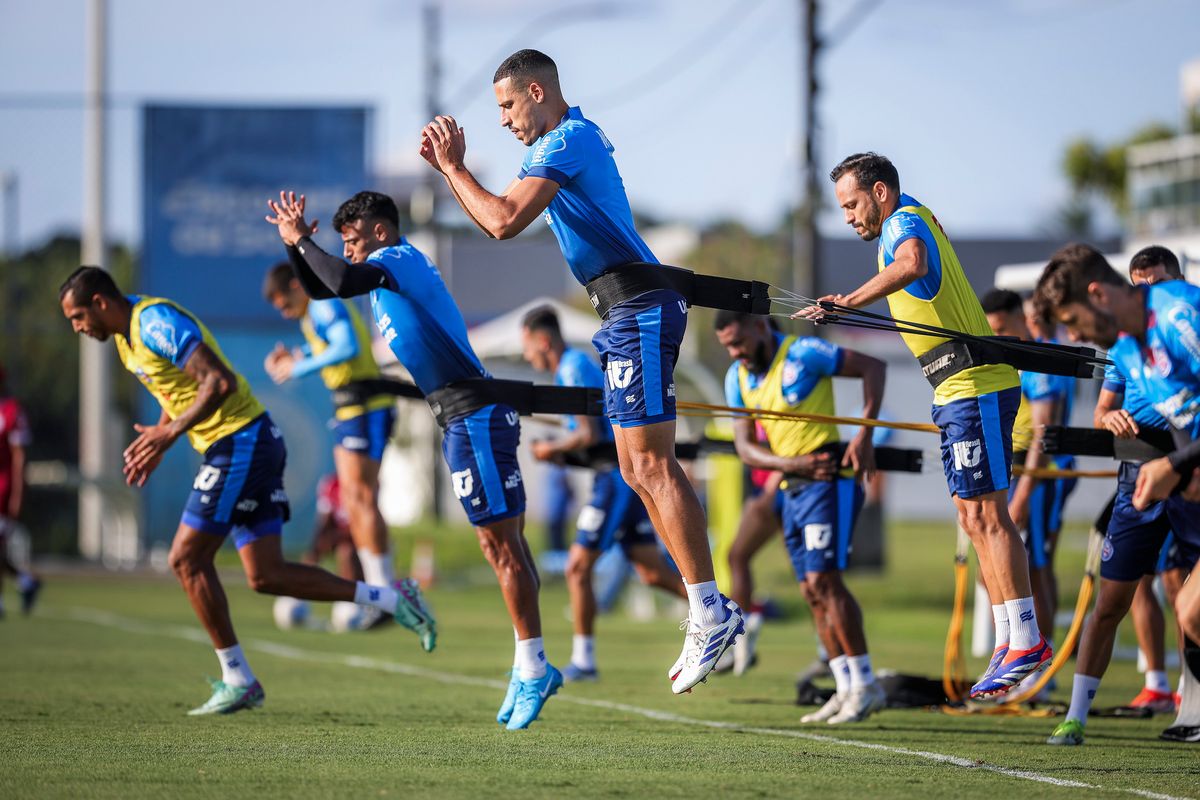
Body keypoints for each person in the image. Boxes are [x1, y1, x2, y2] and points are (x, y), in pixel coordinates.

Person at [417, 48, 742, 693]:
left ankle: (710, 607)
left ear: (536, 92)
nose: (504, 119)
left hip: (640, 307)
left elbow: (502, 221)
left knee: (651, 464)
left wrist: (453, 167)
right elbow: (496, 214)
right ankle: (707, 606)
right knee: (634, 466)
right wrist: (457, 174)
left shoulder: (566, 139)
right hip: (625, 311)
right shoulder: (560, 143)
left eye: (507, 104)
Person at [59, 267, 435, 716]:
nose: (78, 327)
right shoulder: (126, 340)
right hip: (241, 444)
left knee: (185, 558)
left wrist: (172, 433)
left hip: (241, 442)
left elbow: (220, 382)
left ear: (101, 302)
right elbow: (172, 389)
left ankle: (237, 678)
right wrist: (163, 434)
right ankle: (393, 598)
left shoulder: (154, 323)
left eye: (79, 316)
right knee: (266, 575)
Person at [265, 189, 560, 730]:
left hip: (475, 414)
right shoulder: (377, 270)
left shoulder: (392, 259)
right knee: (501, 547)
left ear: (380, 232)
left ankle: (532, 665)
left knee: (503, 547)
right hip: (456, 419)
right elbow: (321, 286)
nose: (348, 251)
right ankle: (531, 662)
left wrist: (306, 242)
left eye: (352, 240)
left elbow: (339, 280)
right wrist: (294, 246)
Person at [800, 153, 1050, 699]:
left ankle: (1025, 637)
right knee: (973, 515)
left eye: (851, 204)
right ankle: (1010, 640)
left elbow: (912, 263)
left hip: (975, 384)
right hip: (954, 389)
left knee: (987, 512)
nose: (847, 217)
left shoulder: (903, 223)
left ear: (881, 191)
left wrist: (849, 301)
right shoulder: (900, 222)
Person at [1033, 244, 1200, 745]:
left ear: (1098, 294)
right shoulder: (1127, 350)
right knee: (1188, 610)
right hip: (1168, 478)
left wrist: (1176, 464)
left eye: (1072, 320)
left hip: (1179, 475)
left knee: (1187, 606)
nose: (1074, 337)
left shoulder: (1179, 313)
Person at [715, 311, 887, 723]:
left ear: (759, 326)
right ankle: (845, 686)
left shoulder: (804, 353)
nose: (736, 353)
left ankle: (866, 684)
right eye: (727, 347)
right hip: (792, 486)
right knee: (811, 589)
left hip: (829, 481)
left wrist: (864, 432)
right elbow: (745, 448)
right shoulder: (736, 378)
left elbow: (873, 367)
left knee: (825, 581)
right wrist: (789, 464)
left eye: (739, 341)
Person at [520, 305, 686, 681]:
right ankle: (723, 609)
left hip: (613, 479)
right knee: (649, 571)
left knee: (577, 567)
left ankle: (585, 660)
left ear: (543, 341)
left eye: (527, 347)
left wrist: (552, 449)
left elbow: (587, 435)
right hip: (611, 476)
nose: (528, 357)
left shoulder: (573, 368)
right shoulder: (572, 366)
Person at [261, 262, 397, 624]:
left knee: (361, 497)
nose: (283, 311)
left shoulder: (322, 302)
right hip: (351, 406)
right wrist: (297, 356)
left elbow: (347, 346)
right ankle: (382, 590)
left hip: (366, 405)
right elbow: (328, 347)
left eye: (283, 302)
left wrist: (297, 368)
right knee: (353, 500)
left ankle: (385, 592)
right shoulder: (314, 312)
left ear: (296, 285)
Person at [981, 289, 1077, 676]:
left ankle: (1038, 669)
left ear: (1021, 318)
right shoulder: (1009, 359)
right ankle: (1010, 652)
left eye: (1002, 326)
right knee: (999, 565)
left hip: (1039, 475)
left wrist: (1023, 493)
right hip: (1011, 470)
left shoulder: (1038, 361)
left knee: (1036, 567)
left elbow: (1043, 434)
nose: (998, 333)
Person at [0, 364, 40, 617]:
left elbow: (18, 457)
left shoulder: (11, 411)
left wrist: (16, 494)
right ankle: (26, 581)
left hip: (2, 488)